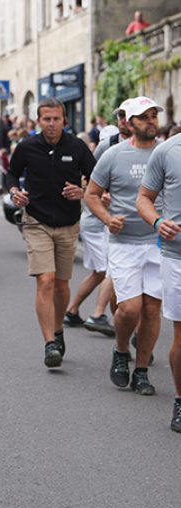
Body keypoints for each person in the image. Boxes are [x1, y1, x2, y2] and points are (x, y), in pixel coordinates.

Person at [5, 97, 95, 369]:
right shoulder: (27, 147)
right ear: (38, 121)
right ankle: (49, 344)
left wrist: (83, 192)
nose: (52, 124)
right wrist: (15, 193)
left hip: (68, 224)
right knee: (45, 279)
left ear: (64, 121)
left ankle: (58, 330)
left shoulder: (77, 147)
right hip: (36, 221)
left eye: (56, 119)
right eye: (47, 119)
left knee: (61, 284)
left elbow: (96, 181)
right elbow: (10, 175)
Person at [85, 97, 164, 395]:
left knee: (152, 310)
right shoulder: (113, 155)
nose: (150, 122)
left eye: (153, 116)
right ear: (130, 123)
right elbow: (91, 194)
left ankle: (141, 371)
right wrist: (107, 218)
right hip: (123, 242)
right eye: (143, 117)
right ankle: (120, 351)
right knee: (130, 309)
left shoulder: (166, 153)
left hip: (159, 243)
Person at [137, 115, 181, 431]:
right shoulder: (167, 151)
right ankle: (180, 401)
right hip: (177, 255)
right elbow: (144, 199)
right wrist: (156, 221)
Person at [64, 124, 120, 335]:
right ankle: (97, 314)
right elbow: (92, 192)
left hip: (95, 225)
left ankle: (72, 310)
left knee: (99, 273)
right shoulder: (98, 167)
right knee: (109, 271)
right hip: (96, 225)